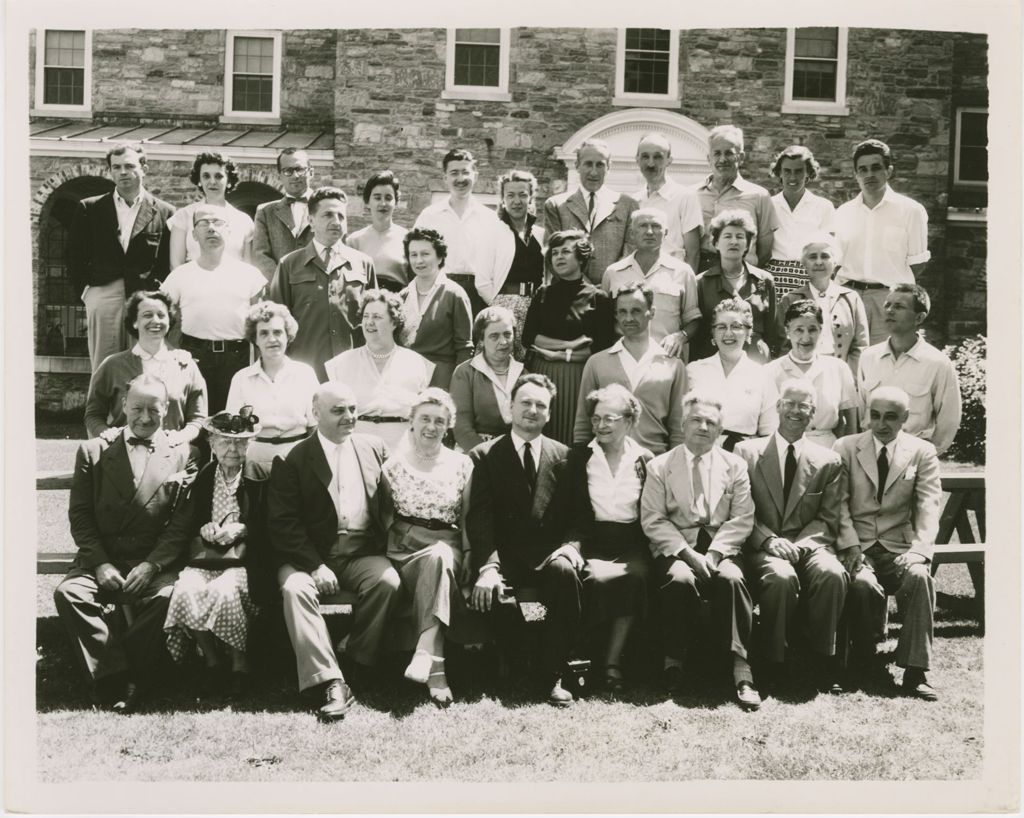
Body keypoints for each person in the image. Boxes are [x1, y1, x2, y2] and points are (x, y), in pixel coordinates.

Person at [55, 374, 198, 713]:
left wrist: (153, 565)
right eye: (137, 408)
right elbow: (81, 517)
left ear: (168, 410)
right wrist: (100, 563)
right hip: (103, 558)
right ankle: (119, 676)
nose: (145, 418)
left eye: (154, 410)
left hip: (152, 561)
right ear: (123, 406)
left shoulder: (184, 454)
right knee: (69, 593)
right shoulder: (93, 450)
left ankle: (115, 672)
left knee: (170, 597)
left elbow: (181, 525)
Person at [267, 382, 401, 721]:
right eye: (338, 410)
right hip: (308, 556)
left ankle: (356, 659)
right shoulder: (292, 458)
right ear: (316, 413)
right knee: (295, 590)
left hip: (359, 552)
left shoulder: (374, 448)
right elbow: (283, 523)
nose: (349, 417)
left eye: (353, 409)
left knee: (387, 583)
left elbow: (389, 503)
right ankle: (330, 680)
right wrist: (313, 565)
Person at [466, 374, 582, 706]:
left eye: (540, 405)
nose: (532, 410)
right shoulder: (485, 455)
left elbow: (579, 515)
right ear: (510, 407)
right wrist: (488, 567)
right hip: (505, 557)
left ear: (549, 413)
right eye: (526, 403)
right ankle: (520, 664)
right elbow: (480, 516)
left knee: (566, 575)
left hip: (549, 555)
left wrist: (572, 546)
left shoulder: (566, 457)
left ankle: (554, 672)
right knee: (499, 596)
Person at [640, 389, 760, 711]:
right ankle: (673, 661)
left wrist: (717, 554)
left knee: (732, 580)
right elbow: (653, 518)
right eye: (696, 420)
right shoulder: (660, 466)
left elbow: (743, 517)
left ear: (721, 430)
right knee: (679, 580)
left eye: (711, 422)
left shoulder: (734, 466)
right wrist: (688, 554)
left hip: (723, 546)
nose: (703, 427)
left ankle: (741, 668)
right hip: (677, 546)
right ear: (682, 423)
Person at [734, 379, 847, 695]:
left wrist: (800, 546)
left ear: (813, 413)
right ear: (778, 406)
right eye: (790, 403)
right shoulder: (746, 452)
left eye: (804, 406)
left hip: (808, 544)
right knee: (780, 577)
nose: (796, 411)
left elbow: (829, 516)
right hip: (761, 543)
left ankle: (824, 659)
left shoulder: (828, 460)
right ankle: (775, 661)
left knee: (832, 573)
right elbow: (741, 511)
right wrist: (769, 540)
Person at [834, 386, 942, 700]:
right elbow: (838, 504)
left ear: (905, 418)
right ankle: (865, 656)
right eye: (875, 415)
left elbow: (928, 505)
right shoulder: (846, 447)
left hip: (900, 547)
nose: (881, 424)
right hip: (860, 545)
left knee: (920, 578)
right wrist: (852, 547)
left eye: (891, 417)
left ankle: (915, 670)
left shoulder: (922, 452)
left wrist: (919, 551)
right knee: (863, 585)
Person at [159, 409, 266, 698]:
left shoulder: (260, 476)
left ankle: (239, 665)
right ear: (212, 443)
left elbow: (273, 527)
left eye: (240, 442)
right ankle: (212, 661)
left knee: (224, 591)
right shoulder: (206, 475)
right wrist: (204, 529)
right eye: (225, 442)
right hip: (206, 558)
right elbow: (188, 522)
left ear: (249, 445)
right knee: (186, 589)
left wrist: (242, 530)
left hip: (244, 562)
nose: (233, 449)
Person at [380, 389, 473, 707]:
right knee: (435, 561)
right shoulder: (392, 466)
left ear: (448, 426)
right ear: (411, 422)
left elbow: (468, 518)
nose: (431, 427)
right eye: (424, 419)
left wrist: (472, 556)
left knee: (439, 558)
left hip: (447, 545)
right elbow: (382, 519)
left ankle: (425, 652)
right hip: (404, 550)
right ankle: (436, 668)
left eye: (439, 421)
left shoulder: (462, 465)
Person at [562, 384, 654, 692]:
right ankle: (586, 657)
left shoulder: (645, 459)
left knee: (636, 577)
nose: (601, 425)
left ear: (629, 421)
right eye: (597, 418)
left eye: (610, 419)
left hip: (632, 540)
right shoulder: (579, 457)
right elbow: (573, 510)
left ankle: (613, 662)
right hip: (594, 538)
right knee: (596, 579)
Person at [67, 142, 175, 371]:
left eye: (129, 165)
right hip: (104, 294)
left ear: (143, 167)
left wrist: (156, 294)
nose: (122, 172)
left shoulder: (165, 212)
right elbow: (74, 256)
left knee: (145, 366)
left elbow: (167, 261)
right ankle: (103, 409)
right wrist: (88, 294)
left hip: (145, 297)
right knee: (104, 367)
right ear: (110, 171)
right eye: (116, 167)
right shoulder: (90, 208)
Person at [160, 204, 267, 413]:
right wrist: (172, 354)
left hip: (237, 358)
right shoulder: (179, 275)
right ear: (194, 234)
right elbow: (160, 318)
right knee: (195, 421)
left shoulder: (249, 275)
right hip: (194, 357)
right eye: (203, 223)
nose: (211, 228)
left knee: (233, 420)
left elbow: (261, 324)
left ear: (228, 230)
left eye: (217, 222)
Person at [268, 187, 378, 382]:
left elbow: (375, 320)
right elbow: (276, 323)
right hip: (304, 372)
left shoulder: (364, 264)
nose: (336, 222)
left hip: (352, 370)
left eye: (341, 216)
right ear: (310, 221)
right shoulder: (289, 265)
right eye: (327, 215)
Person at [522, 230, 616, 445]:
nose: (559, 257)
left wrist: (561, 357)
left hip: (579, 377)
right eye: (554, 253)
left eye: (566, 251)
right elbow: (530, 337)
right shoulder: (543, 294)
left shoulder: (597, 297)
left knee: (574, 436)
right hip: (542, 373)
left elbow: (599, 347)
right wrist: (569, 345)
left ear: (582, 256)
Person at [834, 139, 931, 344]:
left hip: (889, 299)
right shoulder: (843, 212)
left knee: (888, 362)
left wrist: (891, 292)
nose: (869, 174)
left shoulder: (911, 211)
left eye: (876, 168)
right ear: (856, 174)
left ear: (888, 171)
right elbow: (837, 261)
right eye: (863, 169)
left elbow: (919, 264)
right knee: (847, 364)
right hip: (849, 298)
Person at [573, 282, 686, 456]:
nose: (628, 318)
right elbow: (583, 423)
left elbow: (678, 428)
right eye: (622, 312)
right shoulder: (596, 362)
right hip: (605, 464)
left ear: (652, 313)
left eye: (636, 311)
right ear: (616, 315)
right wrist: (580, 461)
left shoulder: (673, 365)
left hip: (655, 463)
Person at [84, 290, 206, 446]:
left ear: (169, 321)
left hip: (171, 458)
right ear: (135, 322)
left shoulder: (186, 365)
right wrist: (106, 434)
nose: (156, 321)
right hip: (123, 457)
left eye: (161, 315)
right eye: (147, 315)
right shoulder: (112, 365)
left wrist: (181, 437)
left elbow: (198, 418)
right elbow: (93, 414)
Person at [856, 284, 962, 455]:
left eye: (899, 307)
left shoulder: (937, 363)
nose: (889, 311)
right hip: (870, 453)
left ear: (919, 318)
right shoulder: (868, 357)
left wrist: (929, 454)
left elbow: (949, 418)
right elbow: (860, 411)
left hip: (914, 455)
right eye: (887, 305)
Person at [325, 289, 435, 450]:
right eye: (365, 316)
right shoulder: (340, 364)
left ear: (394, 322)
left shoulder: (417, 364)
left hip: (403, 450)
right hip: (355, 449)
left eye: (377, 317)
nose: (369, 322)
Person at [226, 301, 319, 474]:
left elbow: (315, 426)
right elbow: (234, 431)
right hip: (254, 462)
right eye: (264, 333)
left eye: (277, 332)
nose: (272, 339)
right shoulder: (241, 379)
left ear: (287, 336)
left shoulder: (305, 374)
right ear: (255, 339)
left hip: (298, 458)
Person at [413, 148, 505, 315]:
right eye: (454, 173)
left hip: (477, 293)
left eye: (465, 172)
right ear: (445, 177)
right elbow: (413, 256)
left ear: (475, 176)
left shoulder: (490, 218)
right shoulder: (429, 216)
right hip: (439, 290)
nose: (461, 179)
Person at [601, 208, 701, 358]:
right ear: (632, 233)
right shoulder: (613, 273)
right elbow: (604, 322)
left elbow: (693, 320)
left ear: (666, 233)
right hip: (622, 359)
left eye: (656, 226)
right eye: (642, 226)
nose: (649, 231)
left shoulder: (683, 272)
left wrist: (680, 336)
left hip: (666, 360)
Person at [686, 298, 778, 451]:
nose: (728, 333)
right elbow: (680, 424)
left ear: (748, 332)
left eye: (736, 326)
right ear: (713, 333)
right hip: (700, 454)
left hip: (744, 459)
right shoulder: (694, 371)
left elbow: (769, 432)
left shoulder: (762, 376)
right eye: (721, 327)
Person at [543, 139, 639, 286]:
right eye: (588, 164)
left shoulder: (627, 205)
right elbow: (552, 253)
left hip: (612, 293)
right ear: (577, 166)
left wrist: (608, 285)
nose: (594, 172)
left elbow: (630, 253)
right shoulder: (556, 205)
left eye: (600, 164)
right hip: (570, 294)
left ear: (608, 167)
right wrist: (584, 288)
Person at [766, 300, 857, 447]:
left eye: (812, 329)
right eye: (799, 330)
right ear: (787, 331)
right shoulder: (770, 371)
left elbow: (851, 426)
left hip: (827, 449)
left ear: (821, 330)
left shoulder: (839, 368)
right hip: (783, 447)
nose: (806, 337)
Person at [692, 209, 778, 363]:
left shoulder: (764, 281)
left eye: (740, 237)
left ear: (748, 245)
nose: (734, 241)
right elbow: (697, 333)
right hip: (714, 362)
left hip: (756, 361)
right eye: (727, 236)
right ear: (716, 243)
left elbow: (773, 331)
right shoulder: (701, 282)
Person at [776, 235, 870, 375]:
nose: (819, 262)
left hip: (840, 373)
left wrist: (849, 377)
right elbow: (783, 345)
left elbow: (860, 345)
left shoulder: (851, 298)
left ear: (835, 262)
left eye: (825, 256)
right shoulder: (790, 299)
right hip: (801, 373)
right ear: (803, 263)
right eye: (813, 257)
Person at [477, 169, 545, 361]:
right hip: (505, 308)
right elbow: (482, 283)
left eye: (523, 195)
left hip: (535, 308)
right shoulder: (492, 233)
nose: (517, 201)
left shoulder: (540, 234)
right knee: (502, 362)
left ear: (531, 198)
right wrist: (500, 311)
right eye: (510, 195)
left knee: (531, 363)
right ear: (503, 199)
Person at [692, 125, 777, 272]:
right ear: (709, 158)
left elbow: (765, 250)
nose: (722, 159)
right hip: (703, 275)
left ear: (741, 157)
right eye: (717, 153)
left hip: (742, 273)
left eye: (729, 153)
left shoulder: (759, 196)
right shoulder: (692, 194)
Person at [398, 227, 474, 390]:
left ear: (439, 257)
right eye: (414, 254)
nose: (419, 260)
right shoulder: (402, 296)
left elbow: (464, 348)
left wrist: (458, 387)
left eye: (425, 254)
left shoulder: (455, 294)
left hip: (441, 381)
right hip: (406, 379)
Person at [449, 306, 526, 452]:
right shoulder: (465, 372)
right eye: (494, 336)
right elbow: (461, 428)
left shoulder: (524, 374)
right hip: (474, 453)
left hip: (515, 454)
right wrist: (489, 458)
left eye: (507, 334)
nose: (503, 342)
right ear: (482, 340)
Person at [764, 146, 836, 297]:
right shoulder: (768, 205)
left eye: (798, 171)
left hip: (810, 278)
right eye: (787, 171)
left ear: (808, 173)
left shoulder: (823, 206)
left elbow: (829, 251)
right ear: (779, 173)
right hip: (773, 279)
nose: (792, 177)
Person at [168, 152, 254, 268]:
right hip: (193, 283)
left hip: (233, 283)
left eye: (218, 176)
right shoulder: (183, 216)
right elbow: (176, 265)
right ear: (199, 180)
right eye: (206, 176)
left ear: (228, 181)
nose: (212, 181)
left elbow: (248, 267)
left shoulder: (243, 220)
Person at [633, 132, 703, 266]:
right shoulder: (634, 201)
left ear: (669, 160)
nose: (651, 163)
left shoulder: (685, 197)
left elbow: (693, 254)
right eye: (645, 156)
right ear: (637, 160)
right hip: (638, 279)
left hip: (673, 279)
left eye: (658, 157)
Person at [252, 148, 316, 281]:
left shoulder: (326, 207)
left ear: (311, 172)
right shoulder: (265, 212)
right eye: (288, 171)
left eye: (300, 169)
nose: (295, 176)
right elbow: (260, 255)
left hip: (317, 291)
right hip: (278, 292)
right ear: (280, 176)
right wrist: (281, 283)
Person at [345, 170, 409, 292]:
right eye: (377, 197)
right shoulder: (354, 241)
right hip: (364, 305)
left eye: (388, 198)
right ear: (367, 202)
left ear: (396, 202)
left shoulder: (407, 239)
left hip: (398, 303)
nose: (383, 203)